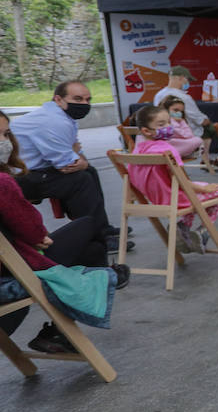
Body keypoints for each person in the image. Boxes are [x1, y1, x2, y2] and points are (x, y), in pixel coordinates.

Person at [0, 111, 128, 353]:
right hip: (14, 269)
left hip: (10, 262)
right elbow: (33, 229)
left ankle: (100, 277)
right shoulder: (3, 183)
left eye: (6, 134)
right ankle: (101, 279)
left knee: (90, 244)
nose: (5, 142)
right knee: (89, 228)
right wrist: (38, 237)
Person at [9, 81, 125, 254]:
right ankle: (94, 238)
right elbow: (67, 164)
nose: (84, 104)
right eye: (77, 99)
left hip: (33, 171)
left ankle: (102, 228)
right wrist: (78, 158)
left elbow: (77, 154)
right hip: (14, 179)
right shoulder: (54, 121)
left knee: (88, 171)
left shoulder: (63, 117)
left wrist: (79, 159)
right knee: (79, 180)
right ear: (58, 99)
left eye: (88, 100)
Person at [126, 105, 218, 254]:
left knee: (198, 189)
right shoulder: (167, 150)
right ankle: (201, 231)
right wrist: (205, 188)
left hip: (155, 199)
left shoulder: (137, 150)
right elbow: (181, 181)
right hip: (175, 199)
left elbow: (132, 178)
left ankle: (183, 229)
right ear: (146, 130)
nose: (168, 126)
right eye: (161, 124)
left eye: (168, 122)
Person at [154, 65, 213, 166]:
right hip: (184, 134)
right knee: (212, 128)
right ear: (181, 78)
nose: (188, 83)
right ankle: (212, 160)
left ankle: (206, 160)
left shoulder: (158, 95)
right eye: (187, 79)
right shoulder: (184, 97)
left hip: (165, 133)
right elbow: (201, 120)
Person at [159, 97, 203, 162]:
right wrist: (182, 122)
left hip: (177, 144)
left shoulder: (178, 121)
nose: (179, 113)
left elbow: (189, 135)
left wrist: (182, 121)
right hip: (168, 145)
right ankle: (182, 153)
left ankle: (185, 153)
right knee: (197, 140)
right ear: (166, 110)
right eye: (176, 110)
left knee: (197, 140)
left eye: (181, 111)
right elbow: (186, 135)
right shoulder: (168, 122)